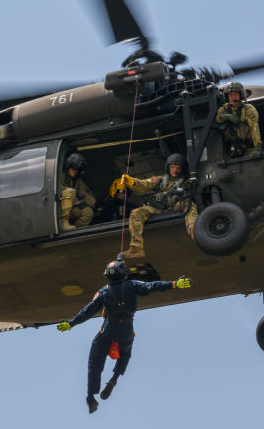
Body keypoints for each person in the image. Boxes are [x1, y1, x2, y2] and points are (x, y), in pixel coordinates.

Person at [57, 255, 193, 414]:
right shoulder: (131, 285)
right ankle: (114, 380)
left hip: (108, 330)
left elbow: (87, 311)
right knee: (126, 353)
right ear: (123, 273)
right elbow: (152, 286)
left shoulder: (103, 292)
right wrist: (175, 284)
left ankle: (91, 396)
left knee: (95, 361)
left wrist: (71, 323)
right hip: (126, 329)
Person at [119, 153, 198, 258]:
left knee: (188, 204)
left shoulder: (187, 181)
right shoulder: (160, 180)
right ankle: (136, 248)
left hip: (176, 206)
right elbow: (143, 185)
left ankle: (195, 232)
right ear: (168, 167)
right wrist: (132, 181)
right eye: (173, 167)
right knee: (136, 212)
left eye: (178, 167)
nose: (175, 170)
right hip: (158, 208)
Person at [215, 81, 262, 159]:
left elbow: (254, 127)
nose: (234, 97)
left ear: (241, 95)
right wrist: (227, 116)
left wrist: (257, 147)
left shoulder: (248, 109)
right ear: (227, 96)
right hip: (230, 150)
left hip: (247, 147)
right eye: (231, 95)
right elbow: (217, 119)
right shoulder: (224, 109)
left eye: (236, 94)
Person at [60, 152, 95, 231]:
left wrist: (83, 202)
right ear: (68, 166)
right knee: (69, 192)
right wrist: (74, 193)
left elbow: (90, 198)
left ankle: (74, 232)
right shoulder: (60, 177)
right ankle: (64, 222)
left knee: (88, 212)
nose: (75, 171)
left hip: (72, 208)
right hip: (59, 209)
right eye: (73, 168)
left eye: (77, 169)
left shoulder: (78, 181)